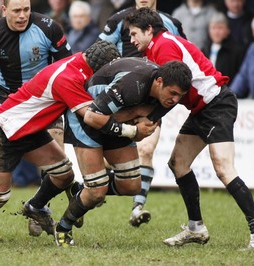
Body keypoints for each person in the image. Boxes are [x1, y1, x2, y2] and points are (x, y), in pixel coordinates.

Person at [0, 40, 120, 239]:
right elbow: (91, 116)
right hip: (2, 130)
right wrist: (129, 129)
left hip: (28, 130)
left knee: (64, 174)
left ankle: (35, 207)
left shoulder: (80, 61)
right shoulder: (68, 77)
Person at [125, 7, 254, 249]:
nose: (131, 40)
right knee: (178, 164)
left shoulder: (163, 47)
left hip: (216, 104)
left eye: (133, 34)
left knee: (224, 169)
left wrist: (148, 117)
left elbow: (170, 94)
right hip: (201, 109)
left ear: (149, 30)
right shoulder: (157, 46)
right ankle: (196, 228)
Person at [24, 58, 192, 247]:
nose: (175, 100)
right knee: (97, 192)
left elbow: (139, 133)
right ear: (159, 81)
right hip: (84, 119)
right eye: (173, 93)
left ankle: (80, 192)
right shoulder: (132, 84)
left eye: (180, 96)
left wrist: (135, 125)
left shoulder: (167, 99)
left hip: (110, 120)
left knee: (132, 186)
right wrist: (134, 120)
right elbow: (92, 116)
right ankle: (63, 228)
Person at [0, 0, 73, 240]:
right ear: (4, 10)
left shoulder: (49, 28)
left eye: (26, 9)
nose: (22, 15)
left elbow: (68, 69)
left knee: (58, 159)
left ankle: (38, 207)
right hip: (10, 105)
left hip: (45, 104)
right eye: (16, 10)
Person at [98, 0, 186, 228]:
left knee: (146, 150)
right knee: (106, 157)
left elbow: (181, 63)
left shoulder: (171, 23)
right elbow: (98, 51)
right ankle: (89, 192)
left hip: (152, 99)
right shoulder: (118, 19)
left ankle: (137, 207)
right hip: (122, 95)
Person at [202, 12, 244, 84]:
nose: (216, 32)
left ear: (228, 30)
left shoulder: (236, 51)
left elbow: (240, 76)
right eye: (213, 28)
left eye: (220, 28)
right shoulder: (204, 50)